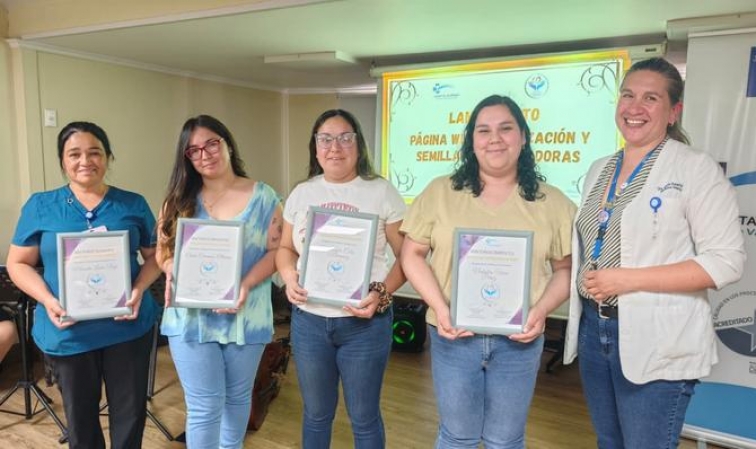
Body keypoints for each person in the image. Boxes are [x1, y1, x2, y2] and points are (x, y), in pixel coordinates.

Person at [562, 57, 746, 448]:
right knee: (609, 442)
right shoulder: (599, 169)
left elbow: (726, 262)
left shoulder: (696, 169)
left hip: (658, 335)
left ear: (673, 111)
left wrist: (627, 280)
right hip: (595, 329)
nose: (635, 107)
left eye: (651, 98)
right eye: (627, 95)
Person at [400, 95, 576, 449]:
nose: (494, 138)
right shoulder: (440, 192)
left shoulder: (553, 202)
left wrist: (541, 311)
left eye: (505, 128)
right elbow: (411, 255)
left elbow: (566, 268)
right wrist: (441, 309)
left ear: (523, 137)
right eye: (483, 130)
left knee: (505, 440)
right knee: (457, 436)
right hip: (452, 336)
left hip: (519, 343)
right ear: (472, 140)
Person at [6, 121, 160, 448]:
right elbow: (18, 264)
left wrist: (138, 290)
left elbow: (155, 257)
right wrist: (48, 300)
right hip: (68, 331)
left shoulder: (132, 204)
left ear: (108, 157)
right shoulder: (40, 206)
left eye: (95, 152)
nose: (85, 161)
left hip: (127, 328)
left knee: (130, 415)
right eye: (74, 154)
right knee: (80, 421)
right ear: (63, 161)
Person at [276, 109, 405, 449]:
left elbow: (407, 257)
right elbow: (285, 248)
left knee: (364, 417)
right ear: (315, 147)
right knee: (316, 415)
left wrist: (382, 293)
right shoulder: (302, 193)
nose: (335, 147)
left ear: (358, 145)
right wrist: (288, 276)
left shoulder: (381, 192)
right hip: (309, 322)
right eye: (326, 139)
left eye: (345, 138)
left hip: (364, 325)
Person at [156, 115, 283, 449]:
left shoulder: (265, 197)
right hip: (190, 318)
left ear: (228, 144)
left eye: (212, 143)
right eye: (194, 150)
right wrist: (170, 268)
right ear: (187, 158)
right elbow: (163, 252)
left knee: (238, 398)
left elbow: (277, 251)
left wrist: (245, 284)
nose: (205, 154)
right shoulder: (177, 200)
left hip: (247, 313)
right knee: (204, 406)